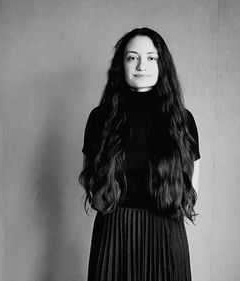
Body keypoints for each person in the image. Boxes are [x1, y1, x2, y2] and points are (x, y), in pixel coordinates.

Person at [79, 27, 200, 281]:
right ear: (121, 65)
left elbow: (192, 186)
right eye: (132, 57)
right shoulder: (100, 119)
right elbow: (91, 180)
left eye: (151, 57)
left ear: (161, 64)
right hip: (113, 233)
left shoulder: (182, 121)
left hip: (165, 232)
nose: (141, 65)